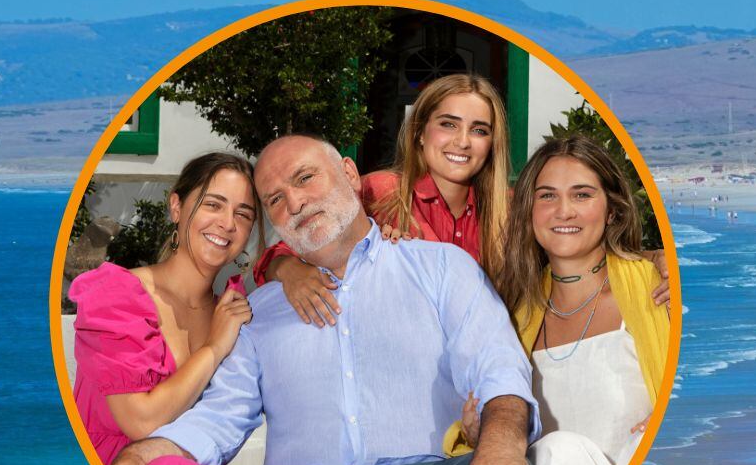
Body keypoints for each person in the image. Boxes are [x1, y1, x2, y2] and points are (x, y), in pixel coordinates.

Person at [109, 136, 543, 465]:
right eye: (274, 199)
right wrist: (146, 451)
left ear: (351, 176)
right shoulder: (258, 313)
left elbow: (498, 364)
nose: (294, 202)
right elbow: (220, 416)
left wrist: (501, 446)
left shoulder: (441, 268)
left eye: (304, 178)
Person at [257, 74, 670, 323]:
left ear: (492, 142)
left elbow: (581, 249)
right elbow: (304, 229)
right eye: (448, 124)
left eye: (479, 129)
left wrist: (655, 260)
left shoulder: (510, 208)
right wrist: (288, 270)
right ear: (420, 131)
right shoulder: (380, 191)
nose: (462, 142)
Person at [476, 135, 671, 465]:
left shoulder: (658, 291)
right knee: (555, 452)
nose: (563, 211)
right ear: (529, 210)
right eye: (548, 196)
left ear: (612, 208)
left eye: (581, 194)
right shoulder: (511, 320)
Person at [67, 153, 260, 465]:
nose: (227, 223)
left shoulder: (234, 313)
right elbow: (141, 422)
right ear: (176, 207)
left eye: (243, 214)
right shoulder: (118, 296)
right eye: (213, 204)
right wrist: (214, 348)